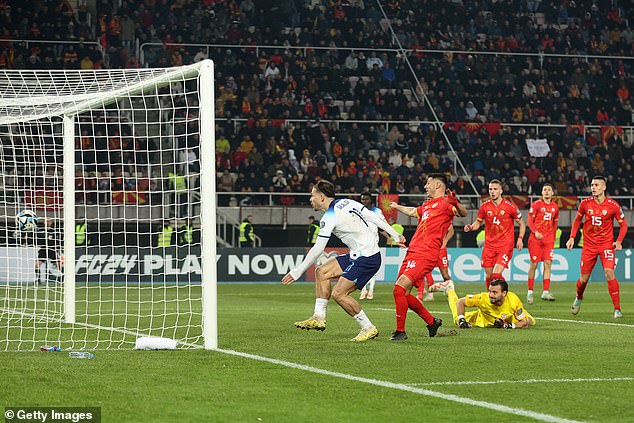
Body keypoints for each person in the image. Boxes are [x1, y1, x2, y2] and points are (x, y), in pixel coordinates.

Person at [281, 180, 405, 342]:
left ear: (322, 197)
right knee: (322, 272)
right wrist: (394, 234)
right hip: (359, 254)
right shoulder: (347, 202)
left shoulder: (328, 218)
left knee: (339, 294)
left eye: (312, 195)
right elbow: (372, 216)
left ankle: (368, 328)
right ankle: (318, 317)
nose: (310, 199)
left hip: (367, 258)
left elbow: (318, 249)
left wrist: (297, 271)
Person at [389, 174, 467, 341]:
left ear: (438, 185)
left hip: (426, 253)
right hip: (413, 251)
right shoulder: (427, 205)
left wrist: (456, 203)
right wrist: (397, 206)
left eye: (428, 183)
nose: (425, 186)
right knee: (403, 293)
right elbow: (412, 211)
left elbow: (463, 213)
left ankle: (400, 331)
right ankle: (432, 322)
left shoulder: (447, 202)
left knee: (398, 289)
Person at [566, 176, 628, 318]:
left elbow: (624, 225)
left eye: (596, 185)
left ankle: (617, 309)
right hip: (589, 246)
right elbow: (577, 221)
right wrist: (572, 237)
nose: (593, 187)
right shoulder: (585, 204)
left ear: (604, 187)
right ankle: (579, 297)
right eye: (592, 185)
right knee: (583, 279)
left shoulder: (613, 205)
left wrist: (618, 241)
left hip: (606, 245)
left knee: (609, 273)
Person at [464, 179, 526, 288]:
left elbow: (522, 224)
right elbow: (478, 223)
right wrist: (471, 227)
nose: (492, 192)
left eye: (495, 189)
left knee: (496, 274)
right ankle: (491, 297)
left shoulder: (510, 207)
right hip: (489, 246)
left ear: (501, 191)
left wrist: (520, 238)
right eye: (490, 189)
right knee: (489, 275)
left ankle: (503, 293)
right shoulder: (484, 206)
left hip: (505, 245)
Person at [432, 279, 535, 329]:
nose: (490, 295)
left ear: (504, 293)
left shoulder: (513, 300)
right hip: (481, 319)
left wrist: (507, 326)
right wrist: (461, 319)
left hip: (508, 317)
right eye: (490, 291)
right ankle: (449, 289)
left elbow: (523, 323)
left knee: (529, 321)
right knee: (456, 319)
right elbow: (460, 302)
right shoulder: (483, 298)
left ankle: (519, 314)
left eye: (494, 292)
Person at [526, 183, 559, 304]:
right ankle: (530, 291)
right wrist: (535, 232)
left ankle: (545, 291)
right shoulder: (536, 205)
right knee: (534, 264)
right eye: (544, 189)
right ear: (542, 192)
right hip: (535, 240)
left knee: (548, 263)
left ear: (552, 193)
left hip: (548, 240)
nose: (546, 191)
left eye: (549, 190)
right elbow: (529, 221)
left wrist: (553, 236)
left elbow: (555, 223)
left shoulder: (555, 207)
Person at [358, 191, 390, 300]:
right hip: (359, 242)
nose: (364, 201)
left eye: (366, 199)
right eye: (362, 199)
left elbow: (382, 226)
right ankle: (363, 290)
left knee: (372, 267)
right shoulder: (357, 211)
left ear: (371, 200)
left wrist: (389, 237)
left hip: (373, 243)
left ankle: (371, 290)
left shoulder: (377, 211)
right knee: (360, 266)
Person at [417, 225, 454, 302]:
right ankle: (424, 295)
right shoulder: (427, 218)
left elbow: (451, 230)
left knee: (445, 275)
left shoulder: (444, 217)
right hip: (430, 248)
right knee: (424, 271)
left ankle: (451, 293)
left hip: (441, 250)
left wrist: (445, 241)